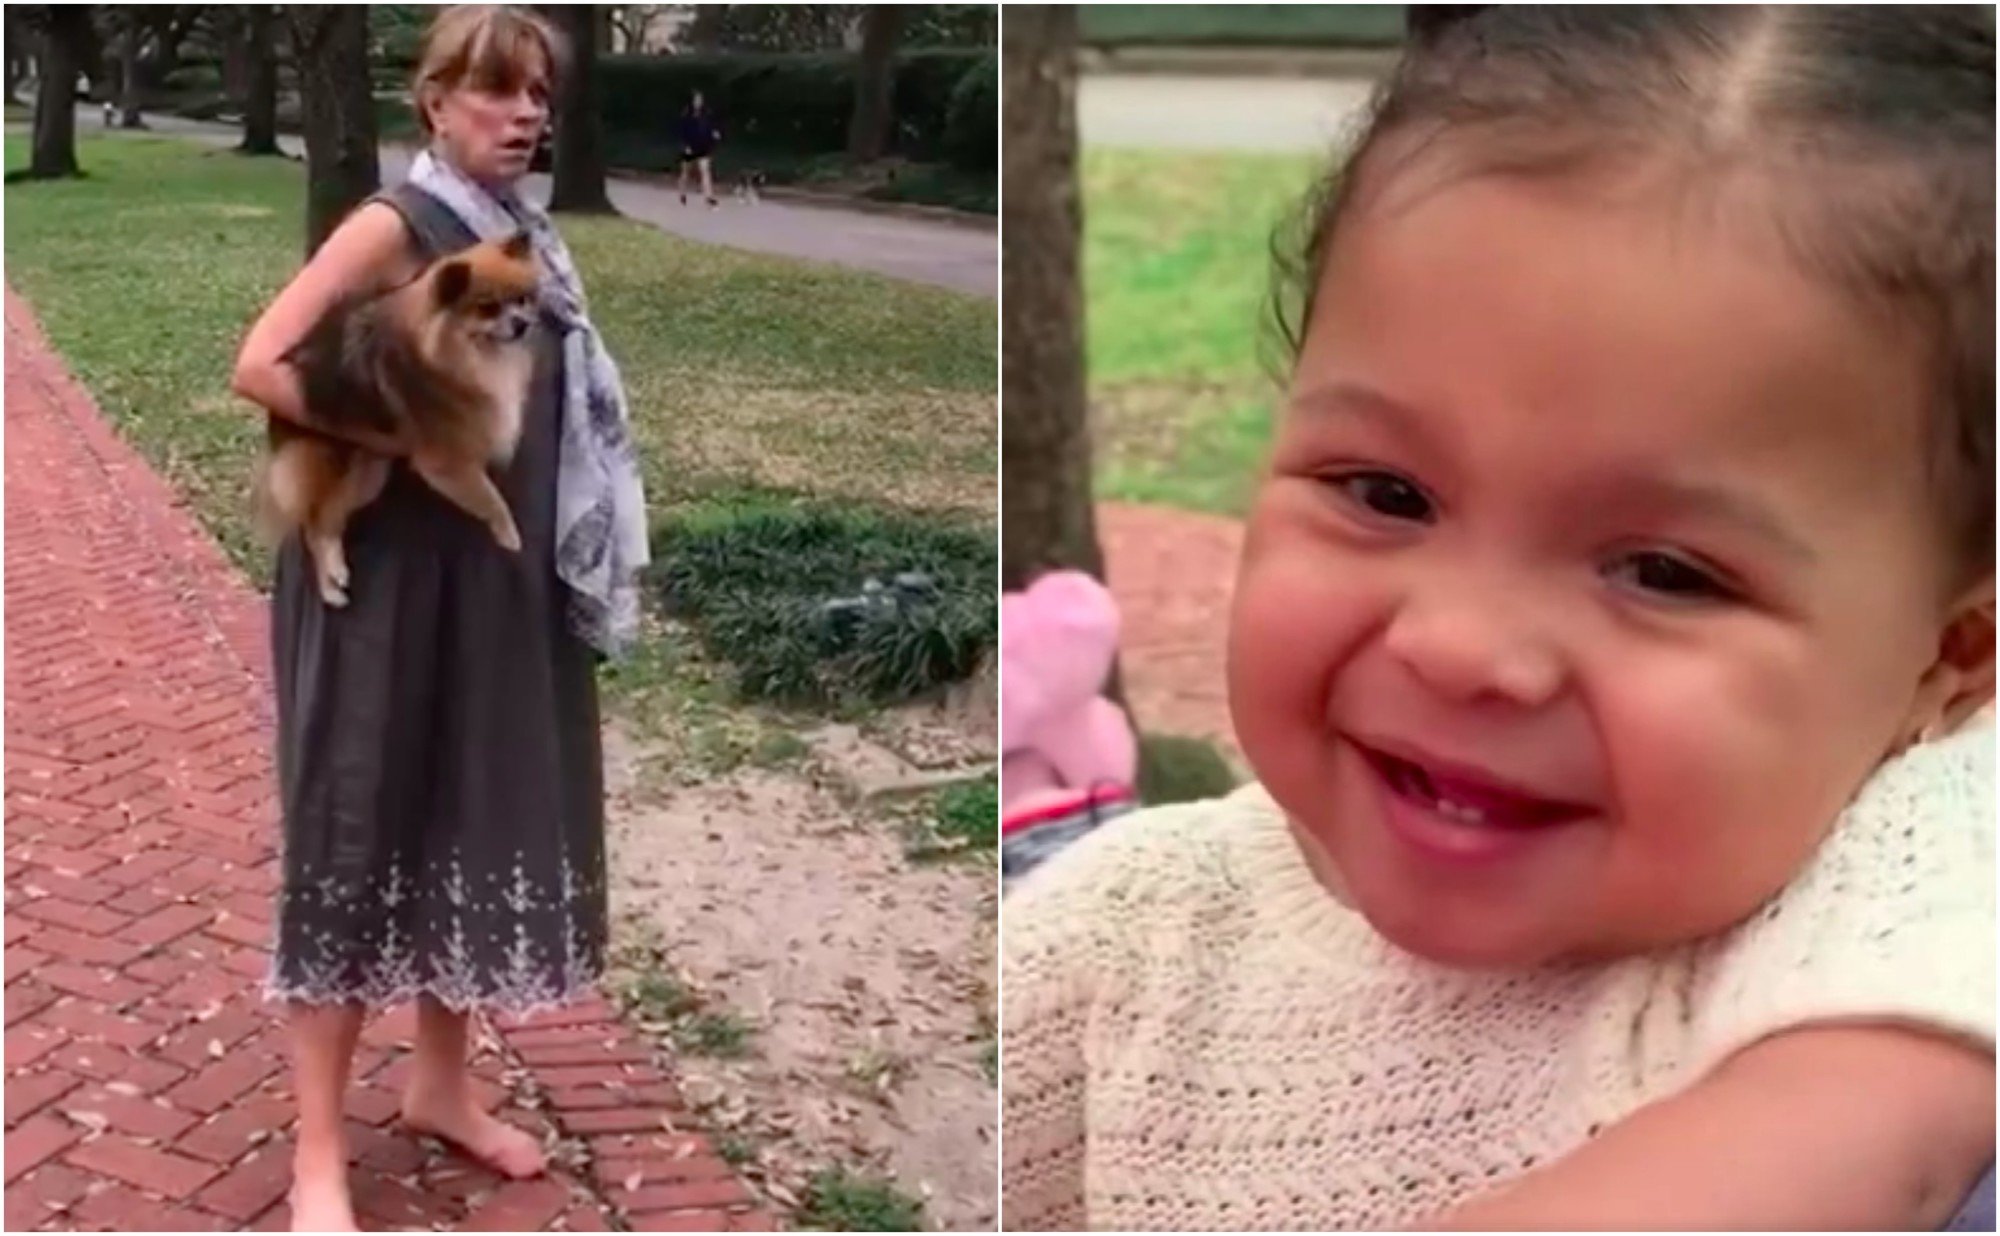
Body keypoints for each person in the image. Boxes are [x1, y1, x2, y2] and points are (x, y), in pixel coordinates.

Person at [1002, 7, 1995, 1231]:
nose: (1459, 646)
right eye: (1386, 494)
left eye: (1664, 573)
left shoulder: (1892, 884)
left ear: (1947, 664)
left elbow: (1883, 1118)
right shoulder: (1129, 933)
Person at [230, 7, 649, 1230]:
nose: (522, 117)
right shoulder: (395, 226)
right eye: (496, 94)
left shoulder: (519, 234)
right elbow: (260, 364)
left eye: (538, 99)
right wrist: (404, 441)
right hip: (382, 591)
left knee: (463, 826)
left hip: (489, 589)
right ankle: (317, 1154)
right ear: (433, 102)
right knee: (354, 840)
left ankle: (438, 1089)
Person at [677, 90, 720, 208]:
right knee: (685, 172)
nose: (698, 102)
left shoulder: (706, 114)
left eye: (700, 100)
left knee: (705, 171)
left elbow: (711, 126)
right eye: (696, 100)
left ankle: (709, 197)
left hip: (703, 147)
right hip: (690, 147)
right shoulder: (686, 114)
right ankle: (682, 193)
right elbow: (682, 131)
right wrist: (685, 146)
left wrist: (714, 134)